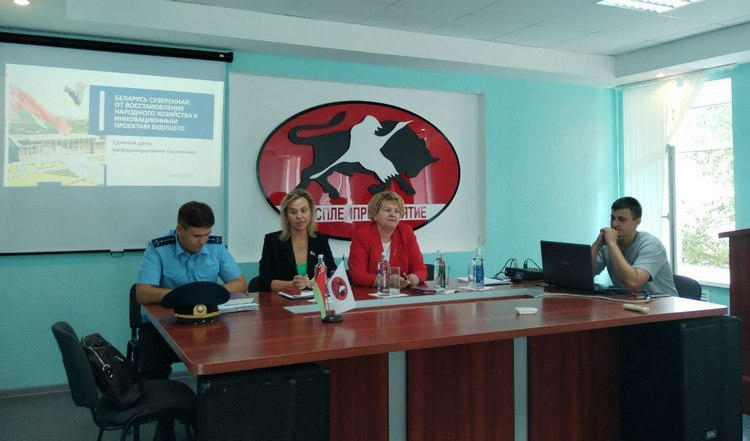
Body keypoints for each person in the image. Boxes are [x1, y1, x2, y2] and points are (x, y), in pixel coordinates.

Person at [135, 201, 245, 441]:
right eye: (196, 236)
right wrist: (187, 296)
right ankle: (164, 420)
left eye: (206, 234)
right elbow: (142, 293)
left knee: (229, 358)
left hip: (207, 324)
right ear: (180, 229)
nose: (203, 241)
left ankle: (211, 418)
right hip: (164, 326)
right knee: (152, 364)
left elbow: (240, 283)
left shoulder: (215, 246)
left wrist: (212, 294)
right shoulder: (158, 247)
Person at [592, 196, 677, 296]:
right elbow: (583, 276)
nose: (614, 224)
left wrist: (612, 244)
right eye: (612, 218)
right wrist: (596, 245)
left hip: (662, 303)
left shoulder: (652, 245)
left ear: (637, 222)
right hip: (629, 301)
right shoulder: (607, 244)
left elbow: (633, 282)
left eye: (621, 219)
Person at [259, 188, 336, 291]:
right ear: (286, 216)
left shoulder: (321, 240)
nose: (299, 216)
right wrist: (291, 284)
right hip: (283, 300)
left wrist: (322, 280)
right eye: (293, 212)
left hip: (314, 299)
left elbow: (333, 273)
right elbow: (264, 282)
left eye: (303, 210)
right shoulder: (272, 241)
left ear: (311, 213)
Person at [348, 191, 427, 288]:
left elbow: (421, 269)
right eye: (387, 210)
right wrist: (385, 281)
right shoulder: (362, 236)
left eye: (397, 211)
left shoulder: (406, 233)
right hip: (371, 294)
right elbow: (357, 275)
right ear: (375, 214)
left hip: (402, 293)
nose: (392, 214)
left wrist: (416, 277)